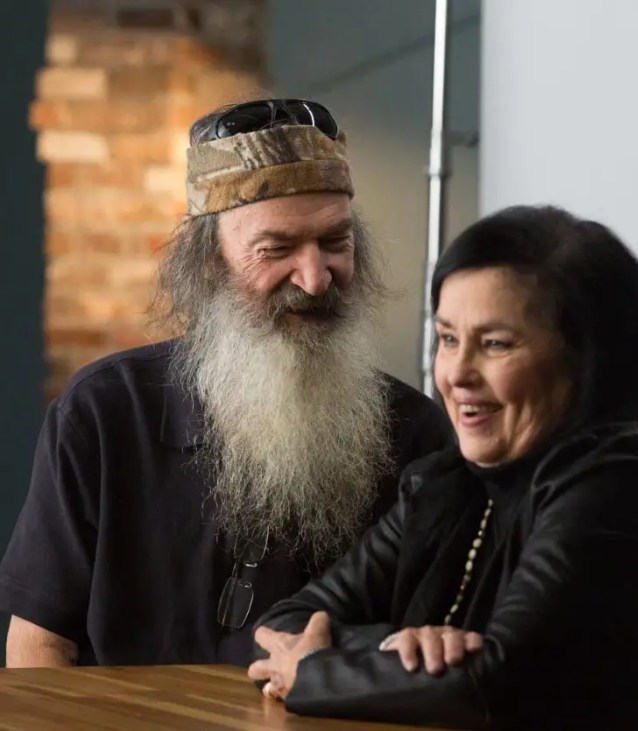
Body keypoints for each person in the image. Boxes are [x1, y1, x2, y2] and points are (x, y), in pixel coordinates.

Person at [0, 98, 452, 667]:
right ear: (210, 262)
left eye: (335, 242)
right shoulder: (104, 412)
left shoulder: (414, 433)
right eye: (276, 249)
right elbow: (41, 643)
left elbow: (429, 645)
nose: (315, 279)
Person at [249, 205, 638, 730]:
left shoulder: (626, 483)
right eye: (449, 339)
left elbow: (496, 683)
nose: (456, 374)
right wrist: (398, 644)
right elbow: (282, 627)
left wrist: (317, 669)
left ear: (587, 360)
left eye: (495, 344)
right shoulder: (446, 483)